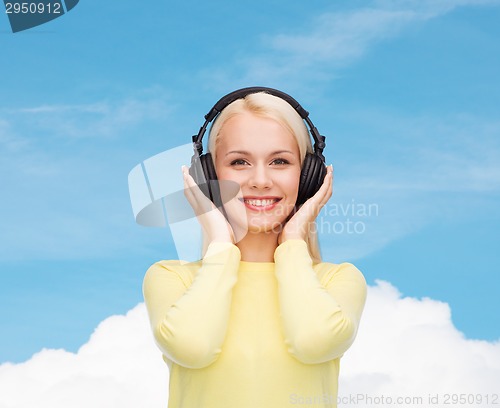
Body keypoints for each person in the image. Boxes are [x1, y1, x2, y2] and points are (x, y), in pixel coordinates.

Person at [142, 89, 367, 408]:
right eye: (239, 162)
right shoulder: (170, 278)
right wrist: (220, 244)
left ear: (308, 178)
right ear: (208, 177)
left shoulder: (337, 281)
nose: (260, 180)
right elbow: (193, 346)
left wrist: (292, 243)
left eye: (280, 161)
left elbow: (313, 341)